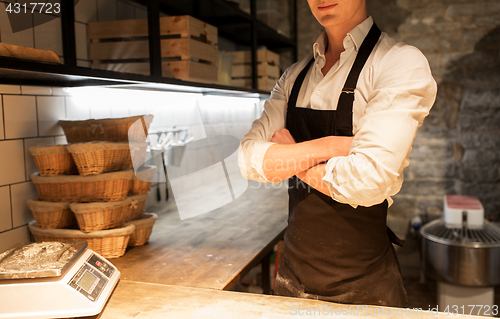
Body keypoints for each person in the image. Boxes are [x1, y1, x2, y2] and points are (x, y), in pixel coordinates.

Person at [238, 0, 437, 308]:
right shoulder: (293, 77)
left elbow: (369, 181)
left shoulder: (399, 62)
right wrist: (331, 146)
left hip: (366, 286)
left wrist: (289, 158)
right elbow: (248, 159)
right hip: (292, 278)